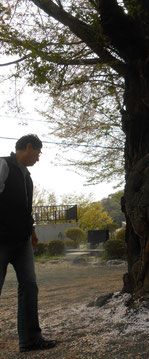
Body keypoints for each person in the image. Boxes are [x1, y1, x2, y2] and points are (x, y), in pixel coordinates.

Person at [0, 134, 56, 352]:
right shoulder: (4, 164)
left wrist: (31, 231)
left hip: (21, 241)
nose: (38, 158)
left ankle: (30, 340)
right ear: (29, 147)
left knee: (30, 287)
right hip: (1, 240)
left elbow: (24, 209)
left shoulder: (28, 177)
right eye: (38, 153)